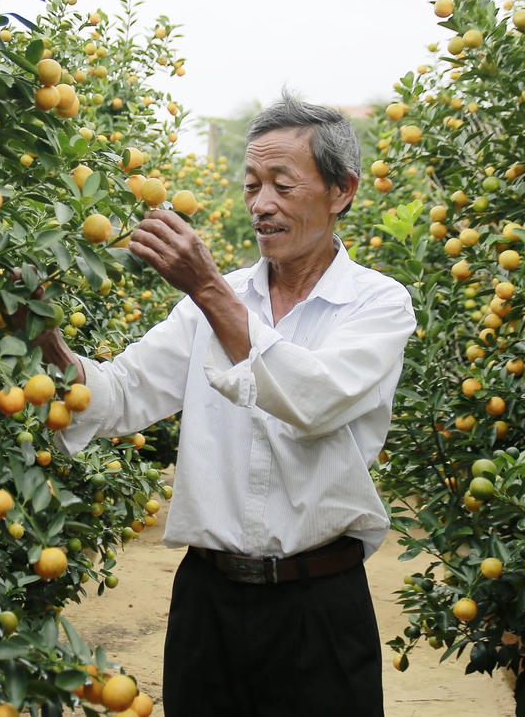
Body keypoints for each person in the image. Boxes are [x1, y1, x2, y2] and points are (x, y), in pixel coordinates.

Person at [36, 91, 416, 716]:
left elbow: (314, 399)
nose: (261, 204)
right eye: (251, 185)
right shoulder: (210, 302)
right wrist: (47, 340)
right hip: (208, 603)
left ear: (342, 191)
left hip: (318, 605)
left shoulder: (377, 304)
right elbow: (121, 396)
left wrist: (209, 288)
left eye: (282, 185)